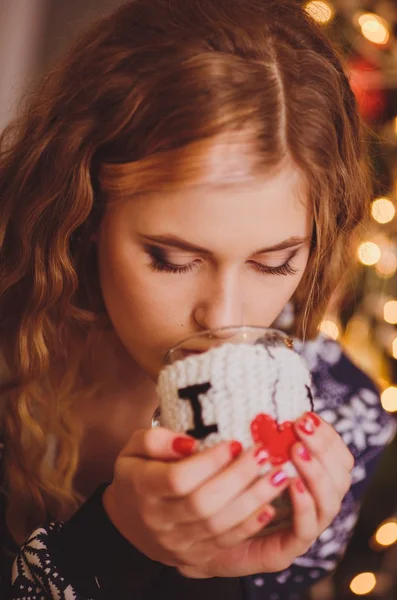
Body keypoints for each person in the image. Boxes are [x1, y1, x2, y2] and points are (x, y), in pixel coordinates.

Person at [0, 0, 395, 598]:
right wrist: (110, 544)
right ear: (84, 214)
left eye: (275, 262)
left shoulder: (341, 422)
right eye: (172, 258)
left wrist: (220, 574)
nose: (225, 316)